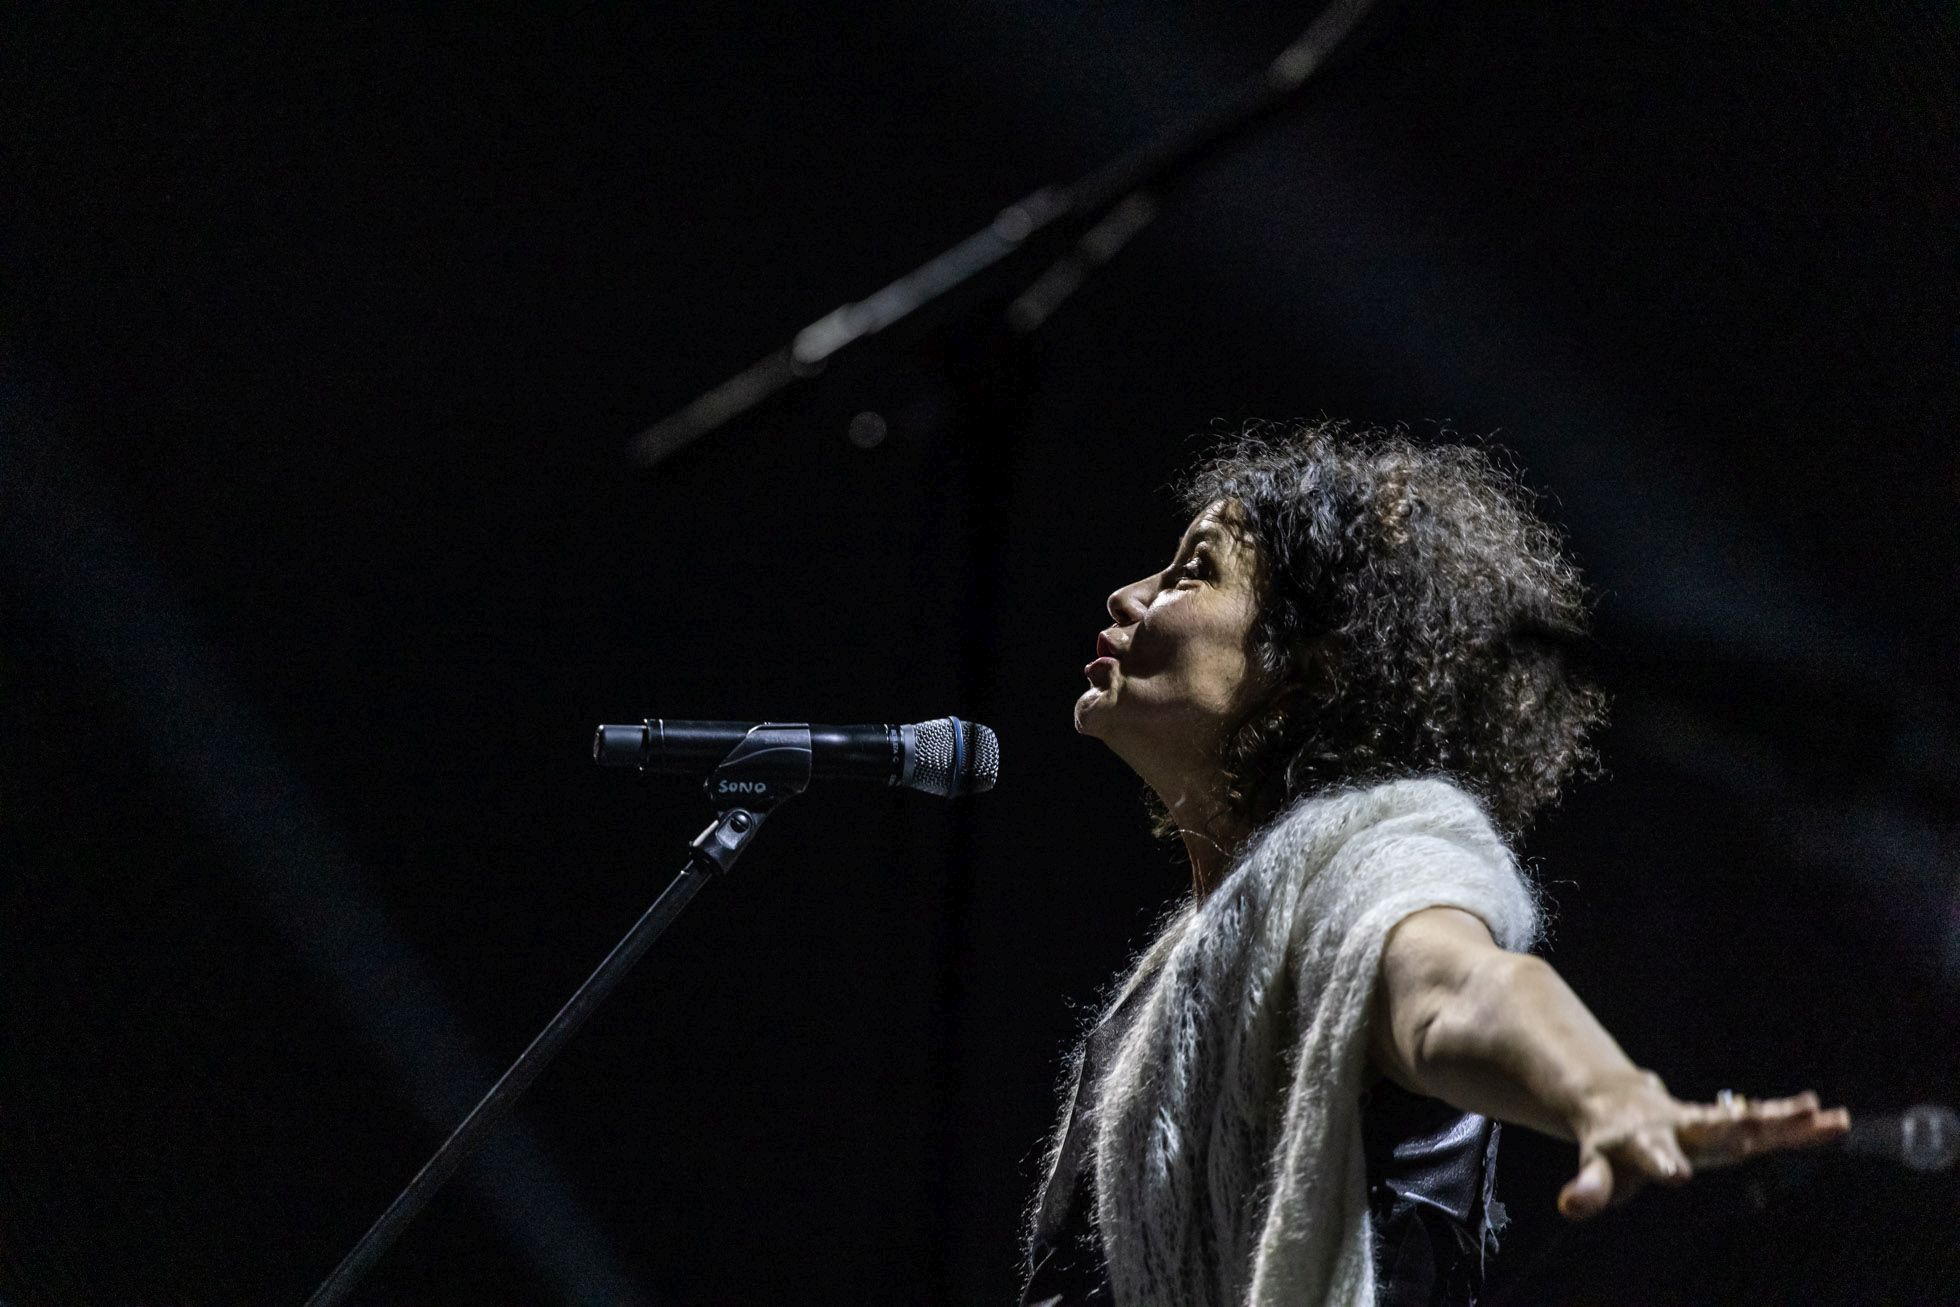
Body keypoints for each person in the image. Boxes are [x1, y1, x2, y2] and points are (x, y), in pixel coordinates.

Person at [1020, 422, 1848, 1307]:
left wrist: (1606, 1092)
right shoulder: (1175, 972)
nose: (1127, 597)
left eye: (1194, 571)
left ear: (1309, 671)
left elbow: (1458, 986)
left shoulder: (1371, 858)